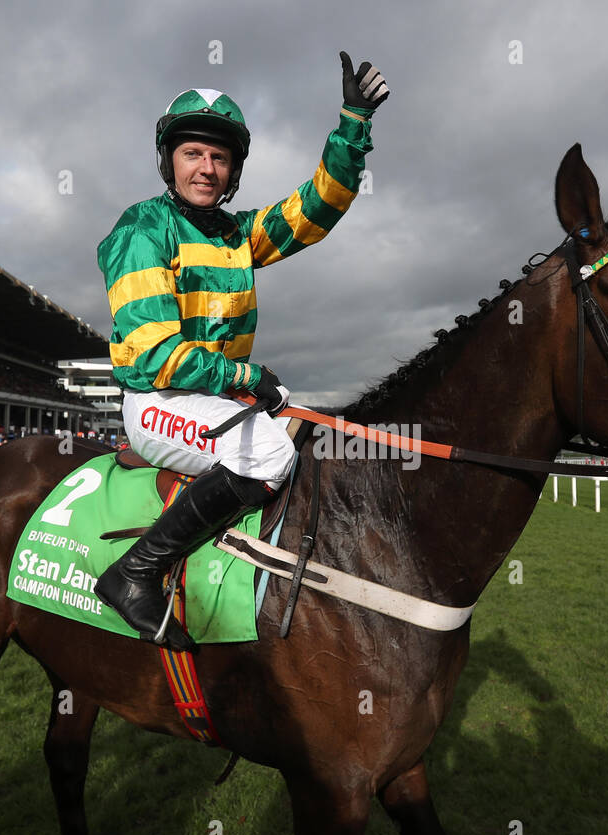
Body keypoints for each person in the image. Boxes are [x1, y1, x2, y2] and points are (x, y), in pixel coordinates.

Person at [93, 52, 389, 650]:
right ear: (169, 161)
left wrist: (353, 122)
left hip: (215, 399)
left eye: (219, 158)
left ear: (233, 170)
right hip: (156, 401)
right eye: (193, 154)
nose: (206, 168)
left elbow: (314, 209)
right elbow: (153, 355)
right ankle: (135, 572)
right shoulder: (140, 230)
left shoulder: (236, 235)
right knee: (268, 458)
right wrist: (247, 374)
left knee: (312, 435)